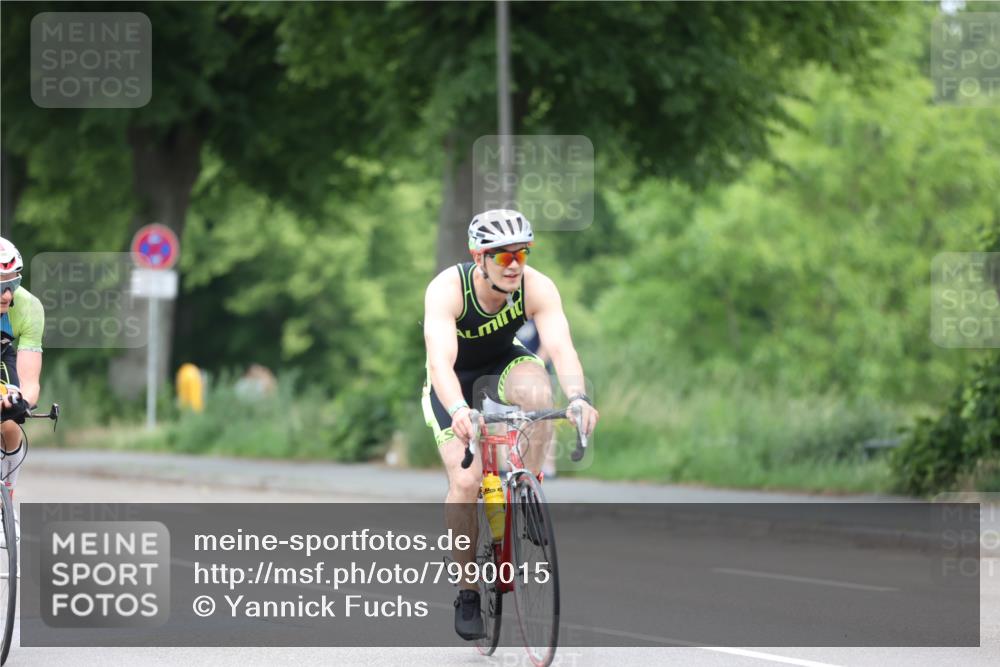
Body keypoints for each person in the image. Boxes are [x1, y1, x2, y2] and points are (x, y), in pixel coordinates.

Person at [422, 209, 598, 640]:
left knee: (540, 395)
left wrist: (578, 398)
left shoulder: (537, 286)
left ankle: (528, 488)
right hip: (452, 382)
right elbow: (439, 362)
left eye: (521, 253)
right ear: (478, 258)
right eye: (502, 257)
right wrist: (460, 410)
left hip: (505, 362)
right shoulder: (449, 289)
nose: (515, 264)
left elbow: (561, 347)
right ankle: (466, 592)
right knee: (465, 485)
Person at [0, 237, 44, 545]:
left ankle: (7, 499)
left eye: (12, 283)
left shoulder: (27, 307)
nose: (6, 294)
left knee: (10, 421)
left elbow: (29, 378)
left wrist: (21, 402)